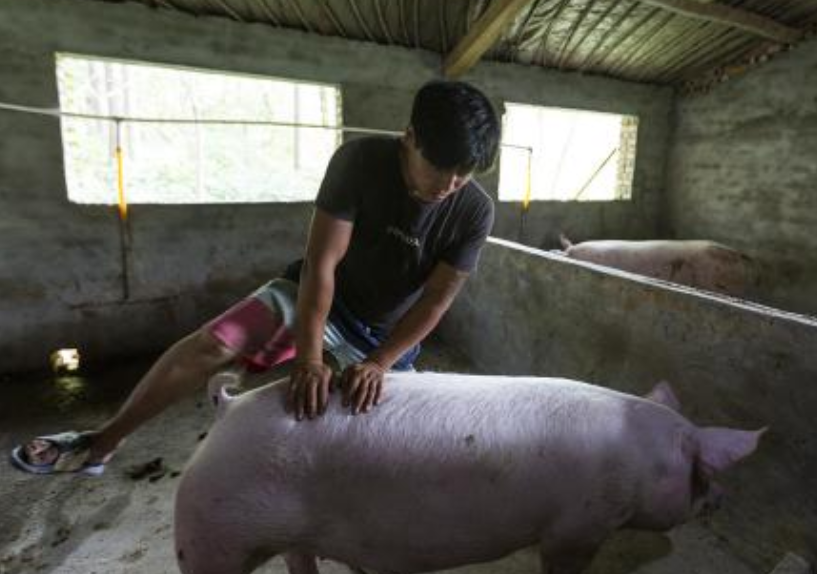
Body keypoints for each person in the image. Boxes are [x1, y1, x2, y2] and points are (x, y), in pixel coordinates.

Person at [10, 79, 500, 476]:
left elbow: (436, 301)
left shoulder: (474, 210)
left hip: (384, 337)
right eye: (440, 168)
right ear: (410, 136)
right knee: (212, 344)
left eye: (464, 173)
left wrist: (379, 361)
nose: (449, 186)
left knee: (393, 445)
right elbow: (321, 265)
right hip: (318, 296)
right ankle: (102, 442)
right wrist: (308, 358)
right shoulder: (360, 161)